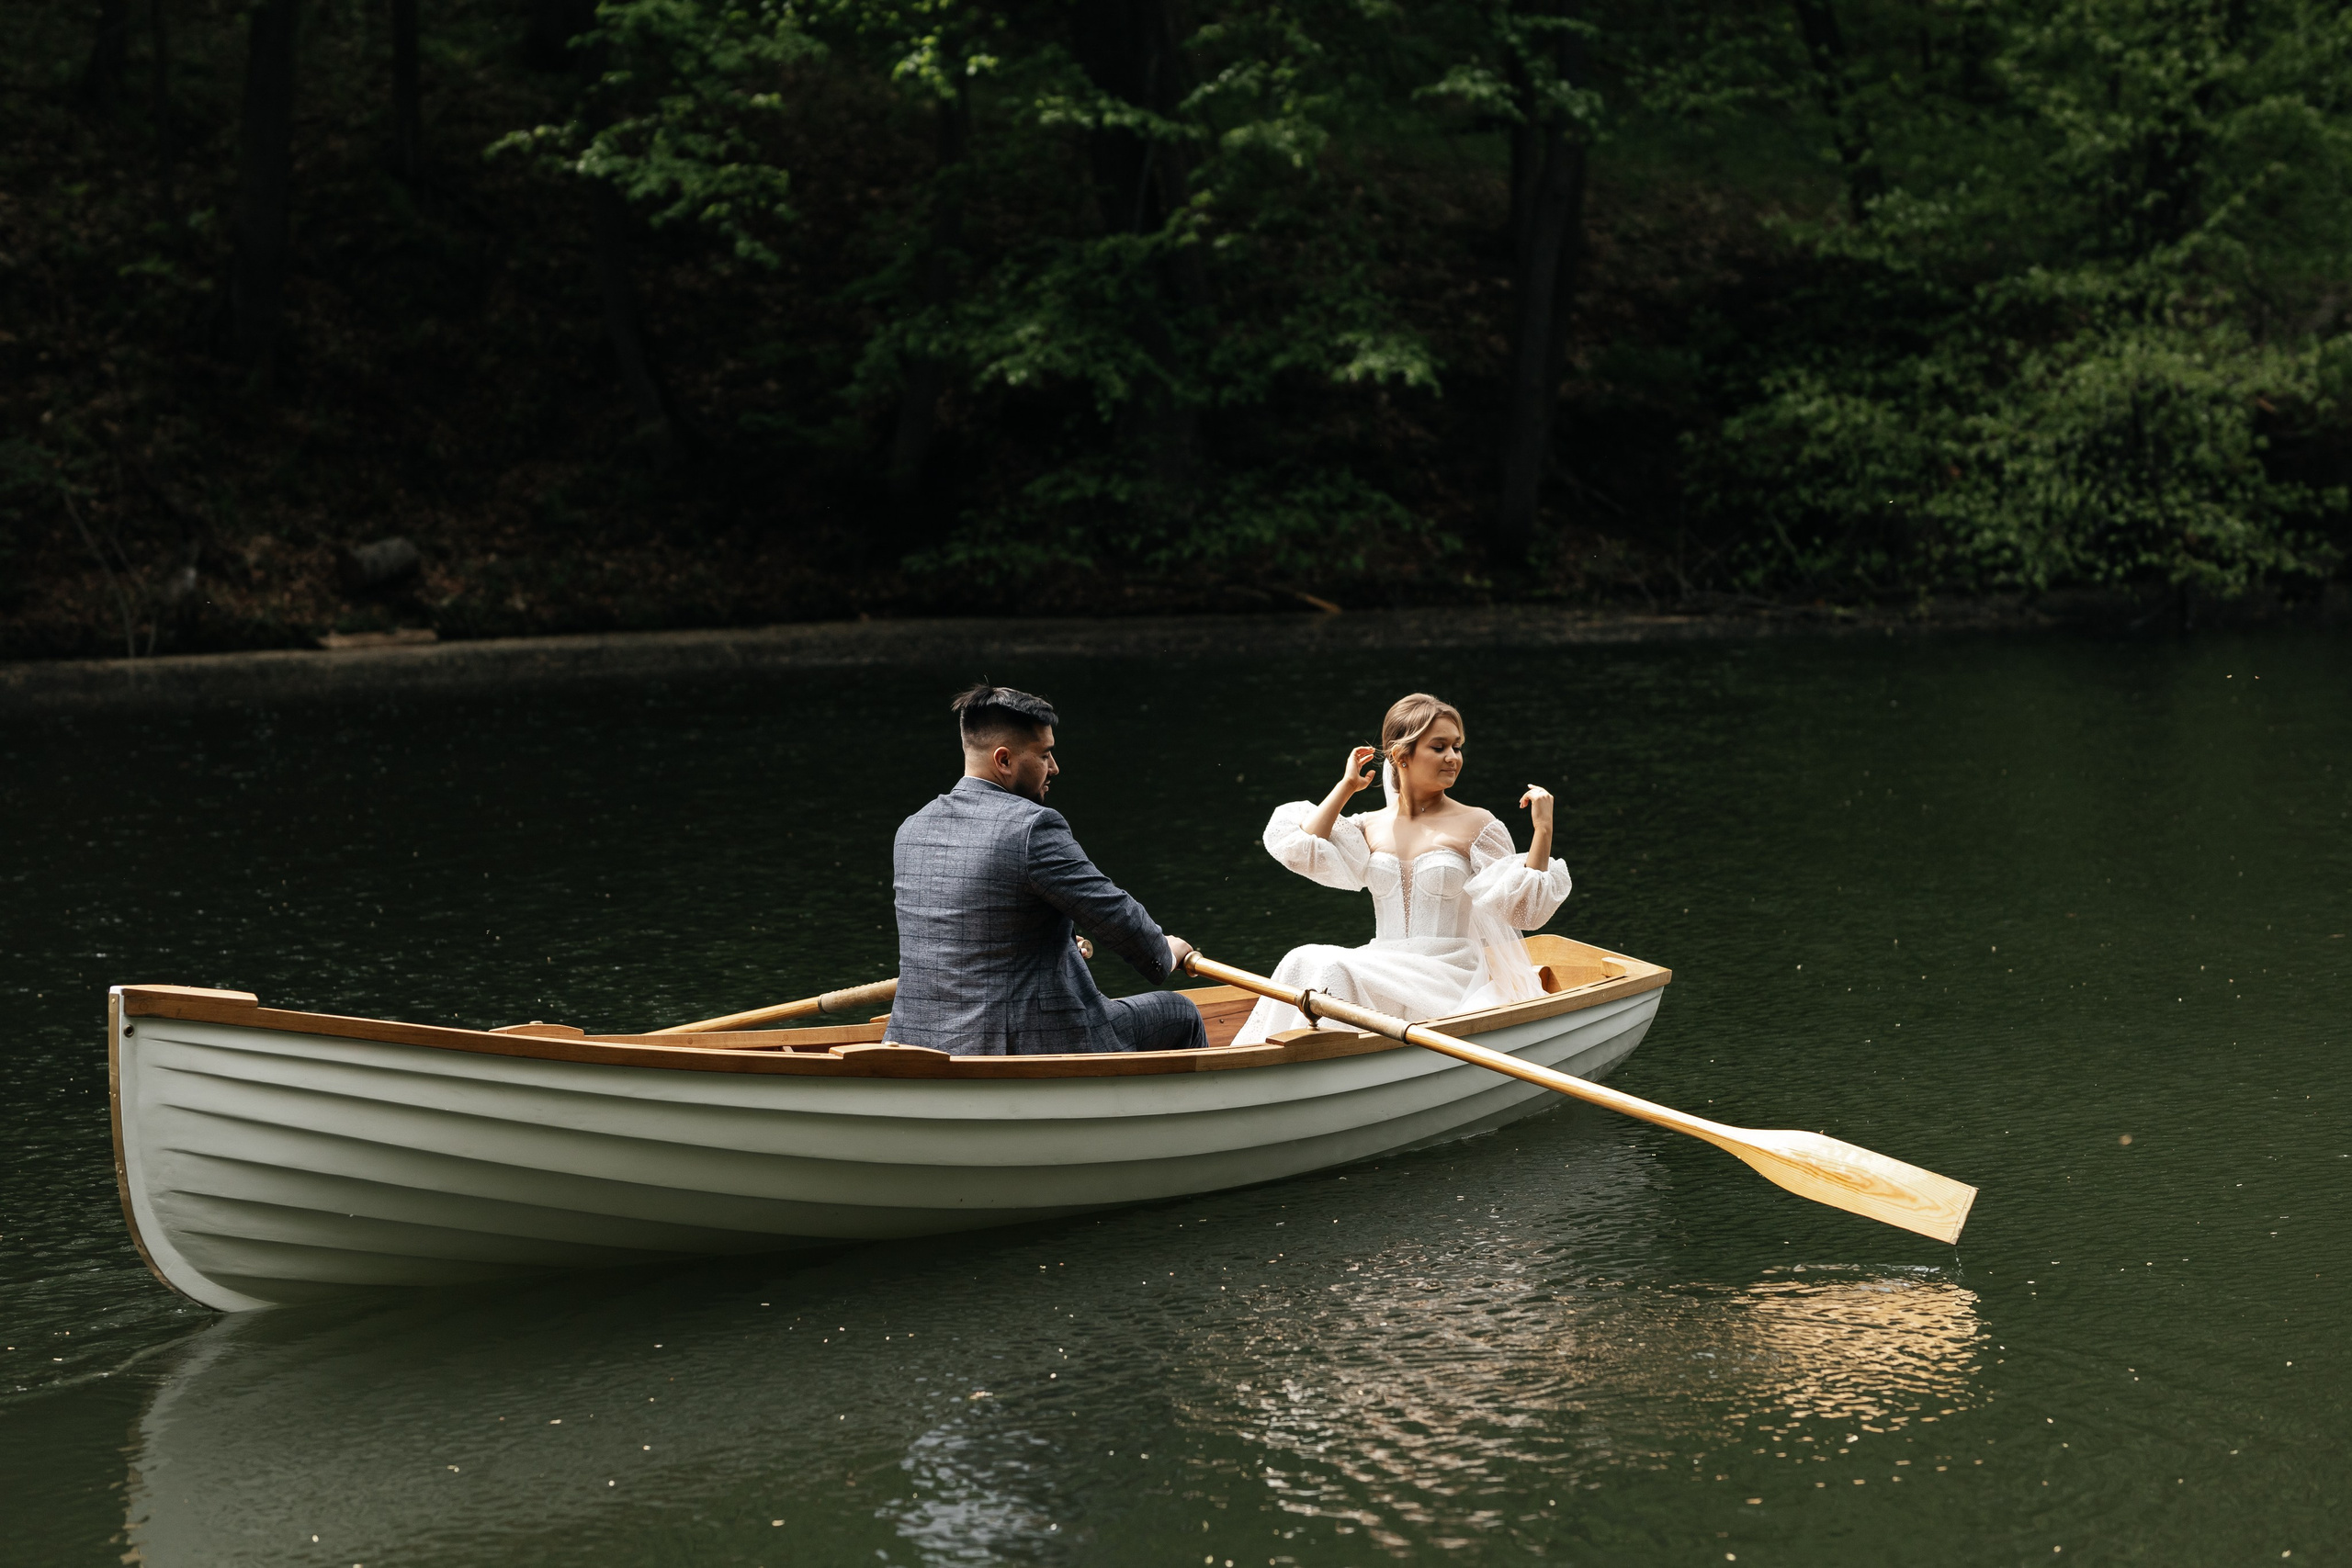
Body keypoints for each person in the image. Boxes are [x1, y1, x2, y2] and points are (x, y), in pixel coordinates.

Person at [886, 682, 1208, 1055]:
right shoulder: (1032, 826)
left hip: (915, 1040)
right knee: (1180, 1012)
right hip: (1019, 1046)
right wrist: (1163, 952)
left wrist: (1064, 944)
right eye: (1044, 755)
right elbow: (1112, 912)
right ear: (1003, 760)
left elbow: (978, 925)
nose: (1055, 767)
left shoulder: (913, 828)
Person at [1232, 692, 1571, 1046]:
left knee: (1331, 967)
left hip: (1449, 972)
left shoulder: (1477, 824)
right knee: (1299, 960)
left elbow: (1523, 910)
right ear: (1400, 755)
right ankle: (1261, 1060)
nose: (1453, 758)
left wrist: (1543, 831)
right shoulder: (1370, 826)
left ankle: (1329, 1070)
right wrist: (1346, 787)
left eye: (1457, 747)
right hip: (1384, 963)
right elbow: (1300, 848)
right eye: (1439, 747)